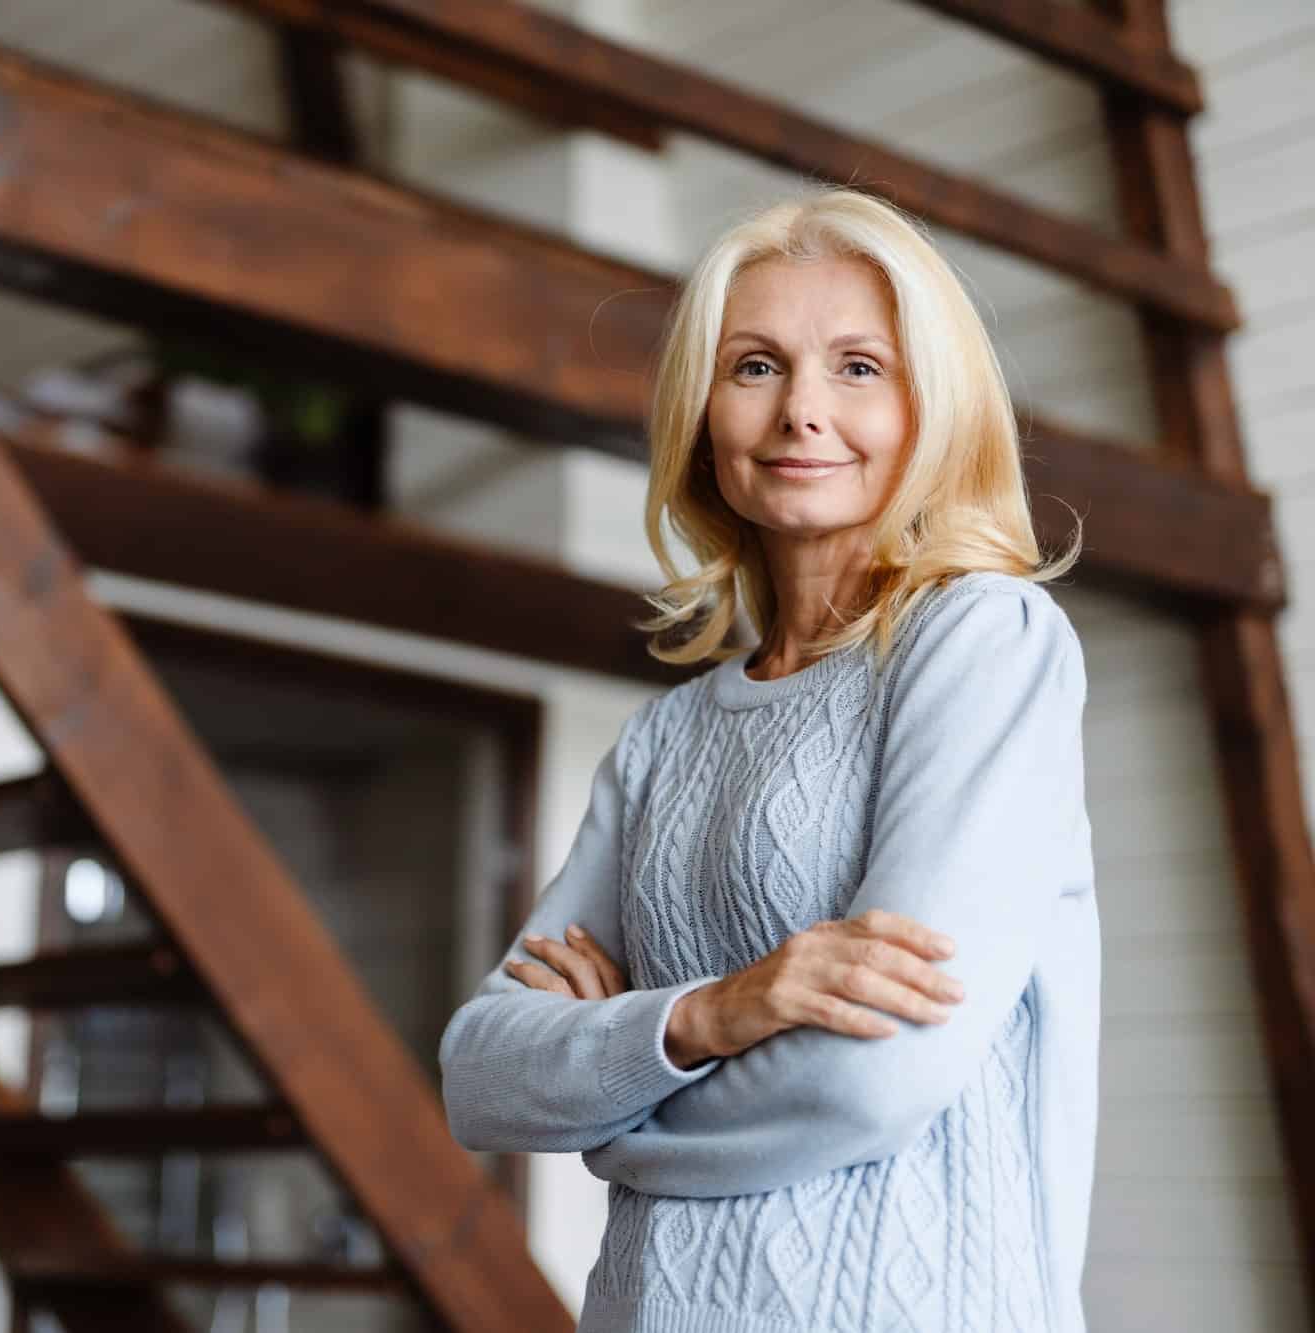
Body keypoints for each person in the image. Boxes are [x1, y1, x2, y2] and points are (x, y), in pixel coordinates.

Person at [437, 186, 1097, 1333]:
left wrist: (606, 1113)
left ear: (930, 405)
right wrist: (708, 1014)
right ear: (701, 413)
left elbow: (873, 1077)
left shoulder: (980, 639)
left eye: (856, 367)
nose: (801, 412)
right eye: (753, 367)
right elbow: (481, 1074)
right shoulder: (667, 735)